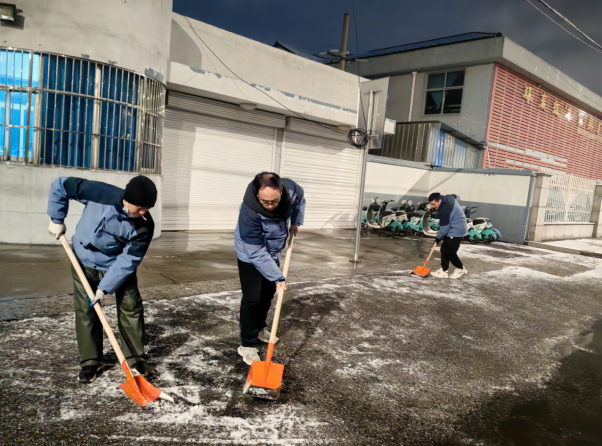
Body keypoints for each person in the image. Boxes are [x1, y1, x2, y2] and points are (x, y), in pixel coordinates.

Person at [47, 175, 157, 383]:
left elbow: (129, 259)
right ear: (128, 199)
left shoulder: (144, 225)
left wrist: (105, 288)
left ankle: (135, 360)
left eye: (148, 208)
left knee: (131, 307)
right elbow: (60, 185)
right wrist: (57, 219)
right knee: (86, 310)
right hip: (83, 259)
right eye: (141, 207)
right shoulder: (98, 193)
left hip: (116, 267)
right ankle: (91, 361)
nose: (145, 213)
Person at [234, 172, 305, 365]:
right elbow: (256, 252)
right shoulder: (249, 213)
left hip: (273, 250)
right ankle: (247, 344)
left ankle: (259, 329)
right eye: (266, 202)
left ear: (282, 191)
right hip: (250, 254)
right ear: (258, 195)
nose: (271, 206)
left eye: (275, 201)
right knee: (253, 297)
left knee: (267, 294)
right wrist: (278, 276)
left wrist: (295, 222)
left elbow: (301, 199)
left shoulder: (292, 190)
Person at [428, 192, 468, 279]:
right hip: (454, 229)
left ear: (439, 200)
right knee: (444, 249)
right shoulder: (447, 198)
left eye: (434, 204)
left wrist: (437, 238)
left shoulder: (445, 210)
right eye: (431, 205)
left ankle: (460, 268)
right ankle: (444, 270)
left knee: (450, 252)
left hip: (456, 230)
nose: (433, 207)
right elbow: (456, 197)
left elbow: (444, 228)